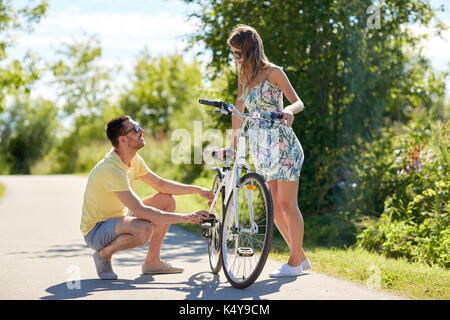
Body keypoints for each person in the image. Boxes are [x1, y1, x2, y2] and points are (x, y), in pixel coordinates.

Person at [221, 24, 310, 278]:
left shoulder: (273, 72)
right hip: (262, 148)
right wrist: (233, 145)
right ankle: (300, 257)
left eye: (239, 53)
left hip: (283, 145)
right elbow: (239, 110)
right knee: (274, 209)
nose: (236, 58)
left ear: (250, 50)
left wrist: (288, 111)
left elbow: (298, 102)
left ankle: (295, 263)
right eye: (234, 54)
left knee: (286, 204)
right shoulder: (244, 77)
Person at [80, 115, 212, 280]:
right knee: (143, 229)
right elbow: (140, 210)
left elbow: (161, 184)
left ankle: (152, 262)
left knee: (167, 200)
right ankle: (103, 255)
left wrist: (197, 190)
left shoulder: (133, 159)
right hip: (96, 231)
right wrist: (187, 217)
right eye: (135, 130)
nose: (141, 131)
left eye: (139, 127)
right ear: (122, 140)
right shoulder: (111, 169)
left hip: (119, 218)